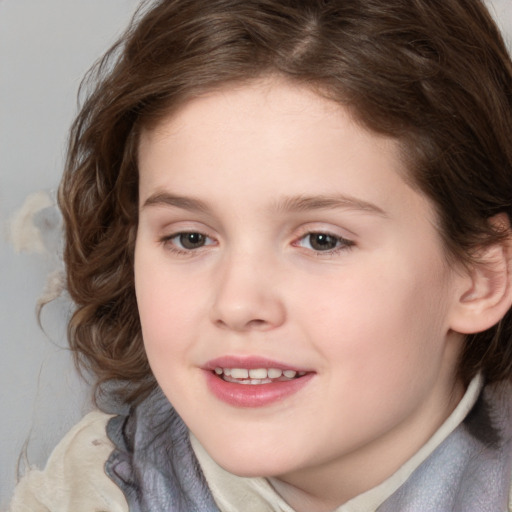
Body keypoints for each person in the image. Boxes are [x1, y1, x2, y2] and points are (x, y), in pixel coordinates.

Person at [8, 0, 512, 510]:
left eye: (321, 240)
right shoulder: (88, 493)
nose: (238, 303)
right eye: (190, 238)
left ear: (480, 277)